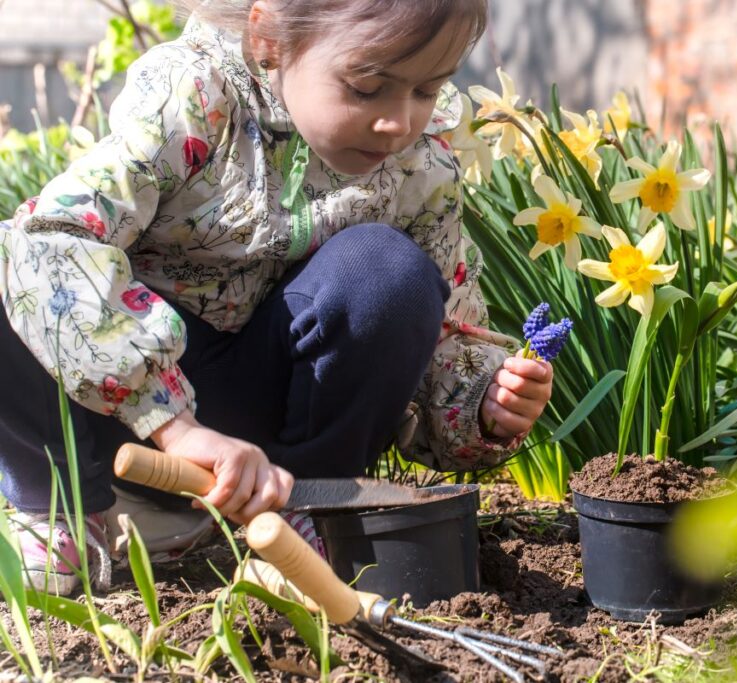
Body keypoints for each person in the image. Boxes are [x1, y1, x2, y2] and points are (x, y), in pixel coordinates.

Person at [0, 0, 553, 595]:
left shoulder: (419, 164)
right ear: (269, 38)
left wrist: (480, 401)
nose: (400, 122)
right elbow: (57, 239)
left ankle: (312, 513)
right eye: (368, 87)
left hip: (275, 442)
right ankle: (65, 508)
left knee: (385, 270)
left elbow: (444, 334)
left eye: (426, 90)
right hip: (127, 419)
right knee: (24, 255)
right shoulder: (190, 100)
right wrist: (173, 425)